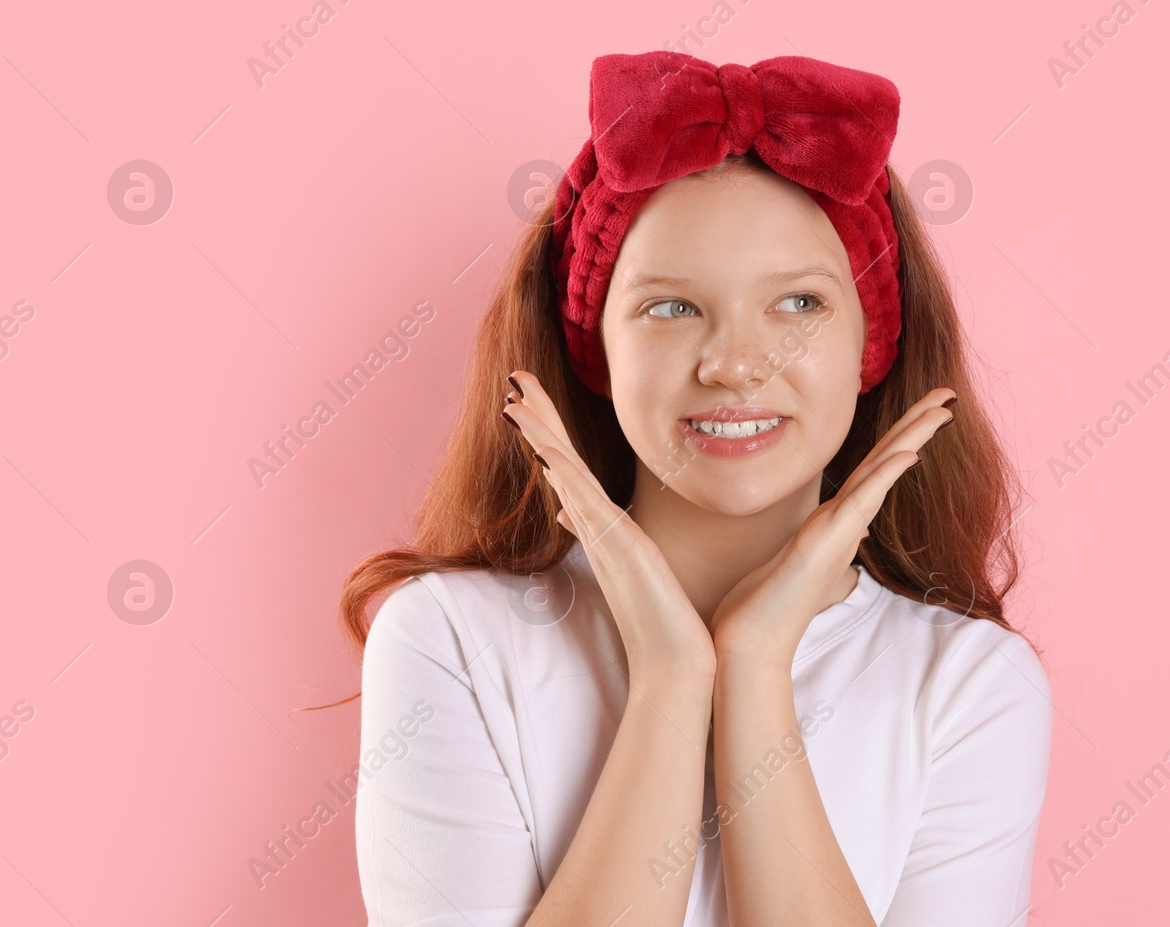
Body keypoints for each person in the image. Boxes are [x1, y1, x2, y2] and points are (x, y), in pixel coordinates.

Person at [340, 50, 1053, 927]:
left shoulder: (968, 685)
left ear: (874, 343)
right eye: (672, 308)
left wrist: (753, 668)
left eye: (799, 303)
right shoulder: (451, 640)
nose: (735, 364)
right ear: (595, 346)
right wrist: (672, 678)